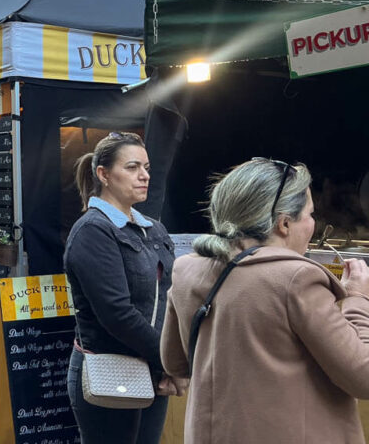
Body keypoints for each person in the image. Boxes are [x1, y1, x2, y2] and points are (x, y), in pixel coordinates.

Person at [160, 159, 369, 443]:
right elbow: (362, 376)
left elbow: (175, 364)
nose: (313, 223)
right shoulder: (296, 279)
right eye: (309, 214)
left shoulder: (187, 269)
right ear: (284, 223)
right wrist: (357, 298)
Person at [63, 132, 181, 444]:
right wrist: (169, 359)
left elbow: (170, 292)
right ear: (103, 174)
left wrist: (166, 363)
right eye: (131, 167)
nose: (144, 176)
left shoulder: (152, 228)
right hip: (110, 370)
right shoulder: (93, 231)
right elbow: (117, 314)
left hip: (154, 371)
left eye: (146, 167)